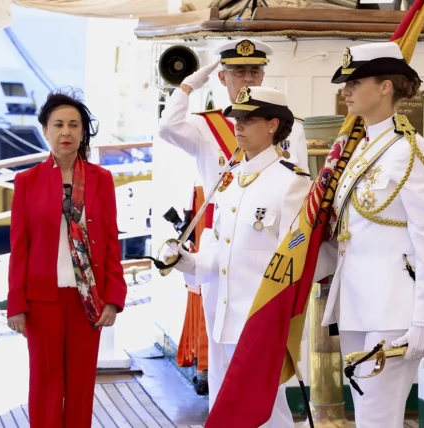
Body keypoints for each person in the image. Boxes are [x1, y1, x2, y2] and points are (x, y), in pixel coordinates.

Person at [158, 38, 309, 409]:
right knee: (223, 354)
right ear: (222, 77)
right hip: (219, 246)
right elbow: (167, 126)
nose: (247, 77)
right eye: (238, 71)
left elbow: (298, 209)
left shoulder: (292, 133)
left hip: (264, 258)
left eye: (254, 70)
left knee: (261, 383)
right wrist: (191, 83)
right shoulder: (207, 126)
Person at [316, 41, 424, 427]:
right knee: (367, 412)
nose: (346, 90)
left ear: (386, 86)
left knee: (378, 412)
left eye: (356, 81)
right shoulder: (360, 149)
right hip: (357, 301)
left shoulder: (410, 150)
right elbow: (346, 234)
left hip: (394, 306)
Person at [6, 90, 128, 428]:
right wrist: (16, 303)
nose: (66, 132)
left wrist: (114, 299)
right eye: (58, 124)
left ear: (82, 132)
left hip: (88, 300)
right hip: (41, 299)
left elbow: (110, 245)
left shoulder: (101, 180)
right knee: (45, 384)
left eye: (74, 125)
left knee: (80, 385)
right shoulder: (27, 181)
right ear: (45, 130)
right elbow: (20, 247)